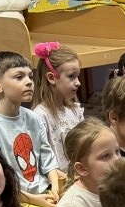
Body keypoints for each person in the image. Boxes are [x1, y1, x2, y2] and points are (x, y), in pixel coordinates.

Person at [0, 51, 58, 207]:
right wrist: (32, 199)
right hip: (17, 200)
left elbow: (47, 157)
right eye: (19, 77)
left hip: (45, 191)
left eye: (30, 77)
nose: (29, 82)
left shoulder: (33, 117)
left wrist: (55, 186)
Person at [30, 41, 84, 172]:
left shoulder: (75, 110)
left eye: (78, 76)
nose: (78, 83)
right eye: (71, 76)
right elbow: (39, 157)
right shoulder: (39, 116)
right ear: (51, 77)